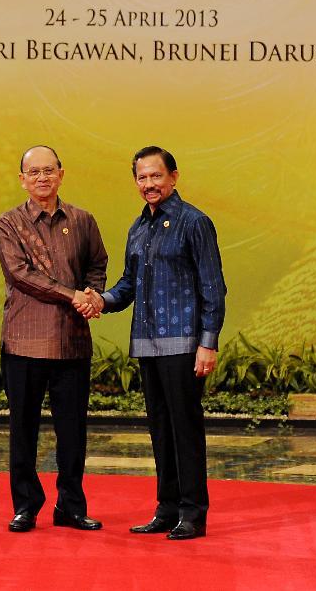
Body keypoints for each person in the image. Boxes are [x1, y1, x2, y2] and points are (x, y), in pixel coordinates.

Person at [82, 146, 226, 540]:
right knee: (160, 430)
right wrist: (102, 300)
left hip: (183, 344)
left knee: (185, 430)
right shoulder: (138, 228)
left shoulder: (194, 222)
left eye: (156, 176)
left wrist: (207, 343)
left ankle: (193, 513)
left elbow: (213, 288)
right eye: (142, 178)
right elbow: (129, 285)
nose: (149, 184)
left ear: (174, 177)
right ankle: (167, 509)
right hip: (147, 344)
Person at [0, 145, 108, 533]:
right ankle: (26, 506)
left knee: (73, 431)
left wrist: (93, 295)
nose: (42, 178)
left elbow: (97, 263)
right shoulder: (8, 223)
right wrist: (73, 295)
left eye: (49, 170)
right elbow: (20, 274)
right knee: (23, 430)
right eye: (34, 172)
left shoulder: (83, 220)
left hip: (72, 342)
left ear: (61, 173)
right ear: (22, 179)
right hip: (24, 342)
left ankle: (71, 506)